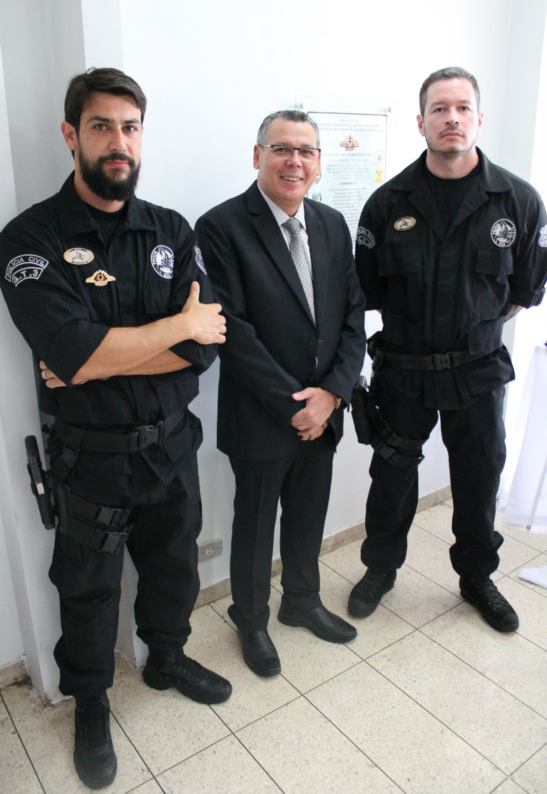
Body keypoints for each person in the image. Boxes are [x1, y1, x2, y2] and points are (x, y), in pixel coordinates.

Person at [0, 67, 232, 790]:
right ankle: (92, 702)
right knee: (88, 587)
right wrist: (165, 332)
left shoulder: (170, 230)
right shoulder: (29, 238)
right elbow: (74, 349)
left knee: (174, 566)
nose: (118, 142)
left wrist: (98, 359)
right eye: (101, 126)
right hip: (90, 457)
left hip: (171, 443)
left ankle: (165, 657)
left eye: (130, 127)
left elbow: (206, 341)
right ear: (71, 135)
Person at [349, 66, 547, 633]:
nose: (451, 118)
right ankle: (380, 569)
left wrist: (472, 328)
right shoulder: (387, 203)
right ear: (421, 123)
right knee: (391, 477)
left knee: (479, 477)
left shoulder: (518, 201)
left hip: (478, 372)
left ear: (479, 118)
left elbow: (523, 292)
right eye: (439, 109)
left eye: (462, 108)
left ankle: (477, 577)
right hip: (403, 372)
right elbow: (369, 289)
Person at [195, 110, 365, 678]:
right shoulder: (221, 226)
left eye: (306, 151)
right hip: (262, 414)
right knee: (255, 524)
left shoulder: (332, 224)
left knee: (308, 515)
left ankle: (301, 601)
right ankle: (251, 620)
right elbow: (231, 330)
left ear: (318, 163)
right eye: (282, 149)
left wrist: (332, 395)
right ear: (258, 155)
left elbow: (352, 317)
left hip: (324, 411)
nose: (295, 161)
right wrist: (298, 406)